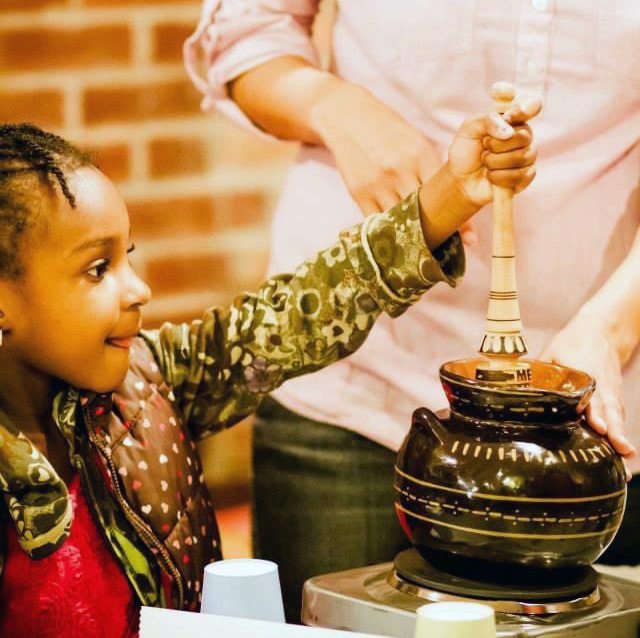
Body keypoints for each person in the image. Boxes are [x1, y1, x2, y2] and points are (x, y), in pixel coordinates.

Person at [184, 0, 640, 621]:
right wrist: (332, 105)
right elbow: (246, 29)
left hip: (603, 414)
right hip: (358, 388)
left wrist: (612, 328)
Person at [0, 112, 536, 636]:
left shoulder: (147, 382)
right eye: (99, 269)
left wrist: (449, 197)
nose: (138, 289)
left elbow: (293, 315)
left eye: (128, 257)